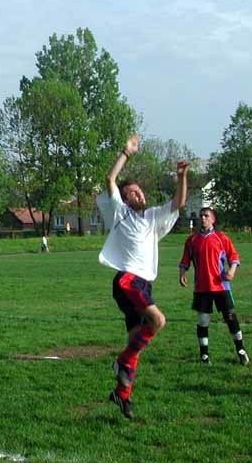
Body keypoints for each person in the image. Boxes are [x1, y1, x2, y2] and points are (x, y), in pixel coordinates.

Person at [97, 134, 189, 419]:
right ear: (124, 199)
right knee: (158, 321)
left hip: (142, 284)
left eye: (140, 192)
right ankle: (121, 362)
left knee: (137, 341)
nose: (139, 195)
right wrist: (126, 151)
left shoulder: (151, 218)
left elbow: (178, 202)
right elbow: (110, 180)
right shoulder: (119, 213)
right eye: (133, 193)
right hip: (127, 281)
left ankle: (122, 395)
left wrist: (181, 177)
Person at [179, 207, 249, 366]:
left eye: (206, 216)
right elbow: (185, 261)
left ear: (213, 219)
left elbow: (234, 257)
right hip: (202, 288)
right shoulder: (192, 240)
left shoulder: (221, 238)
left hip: (221, 286)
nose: (202, 218)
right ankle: (204, 355)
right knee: (203, 320)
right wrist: (182, 274)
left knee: (230, 317)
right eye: (201, 216)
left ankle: (241, 350)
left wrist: (232, 270)